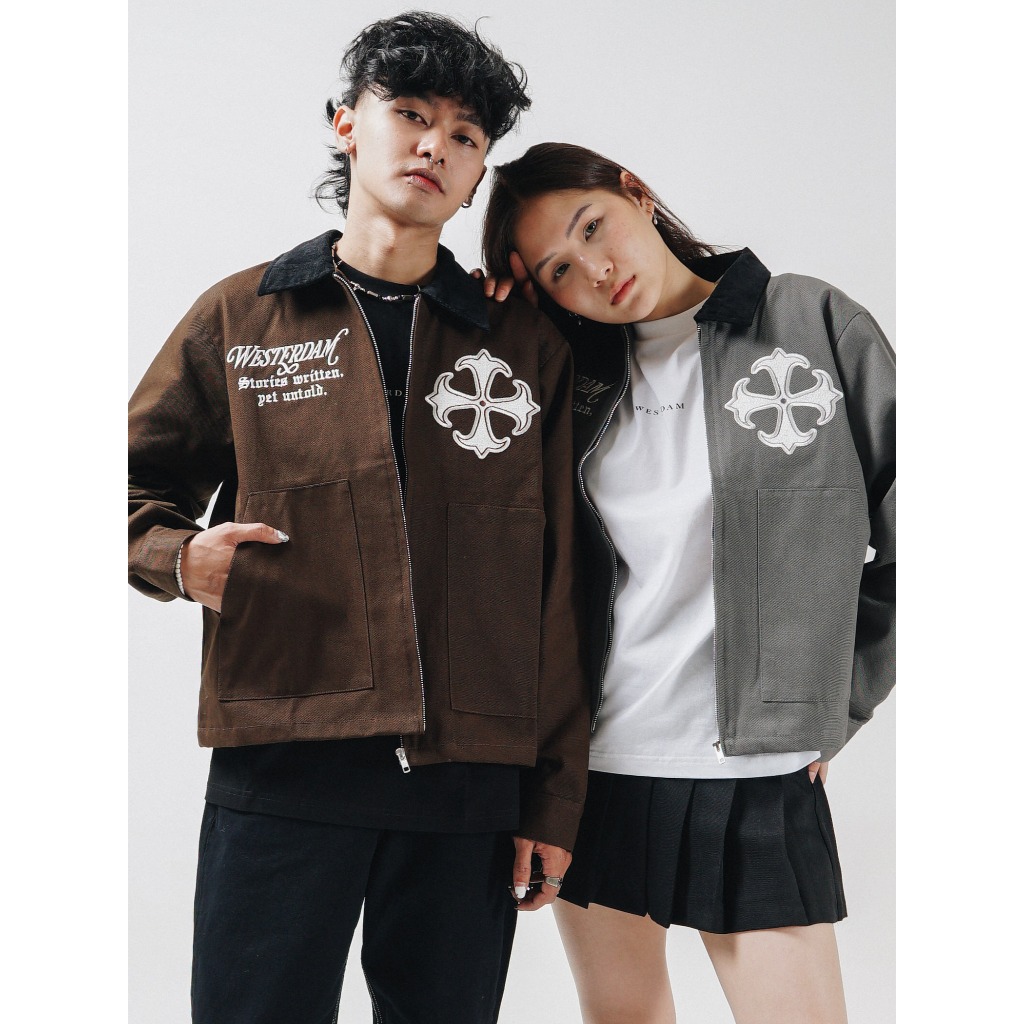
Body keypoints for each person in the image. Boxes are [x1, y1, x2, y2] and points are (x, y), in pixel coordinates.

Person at [127, 17, 589, 1024]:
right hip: (286, 758)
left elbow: (561, 580)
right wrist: (178, 556)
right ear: (346, 124)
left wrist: (554, 796)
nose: (434, 146)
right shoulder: (243, 318)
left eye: (465, 135)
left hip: (469, 785)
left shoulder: (521, 346)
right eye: (410, 114)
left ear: (478, 174)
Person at [480, 142, 895, 1024]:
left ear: (635, 193)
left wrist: (840, 695)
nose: (595, 270)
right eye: (559, 270)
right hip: (597, 768)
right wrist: (500, 330)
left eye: (593, 227)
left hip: (757, 767)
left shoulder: (809, 321)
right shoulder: (568, 379)